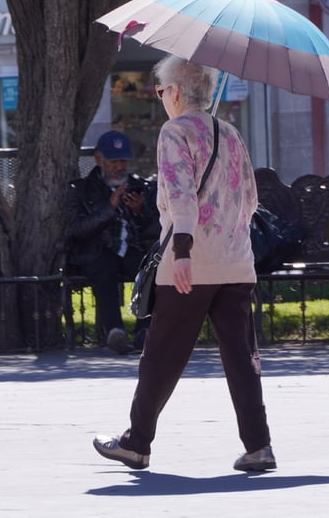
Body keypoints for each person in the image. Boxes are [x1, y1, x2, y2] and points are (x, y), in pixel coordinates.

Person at [92, 55, 275, 473]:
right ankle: (259, 446)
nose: (161, 99)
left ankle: (136, 443)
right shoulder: (231, 134)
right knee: (242, 356)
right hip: (236, 261)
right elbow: (250, 201)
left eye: (160, 91)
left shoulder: (174, 132)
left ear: (174, 91)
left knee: (161, 353)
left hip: (190, 262)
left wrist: (184, 252)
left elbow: (180, 195)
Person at [65, 131, 159, 354]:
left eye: (123, 160)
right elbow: (77, 229)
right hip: (96, 250)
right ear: (99, 159)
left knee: (150, 270)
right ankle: (115, 332)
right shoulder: (81, 189)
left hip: (132, 249)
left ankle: (144, 332)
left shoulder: (140, 186)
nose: (119, 166)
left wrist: (140, 210)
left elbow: (156, 227)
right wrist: (110, 207)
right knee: (104, 271)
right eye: (114, 160)